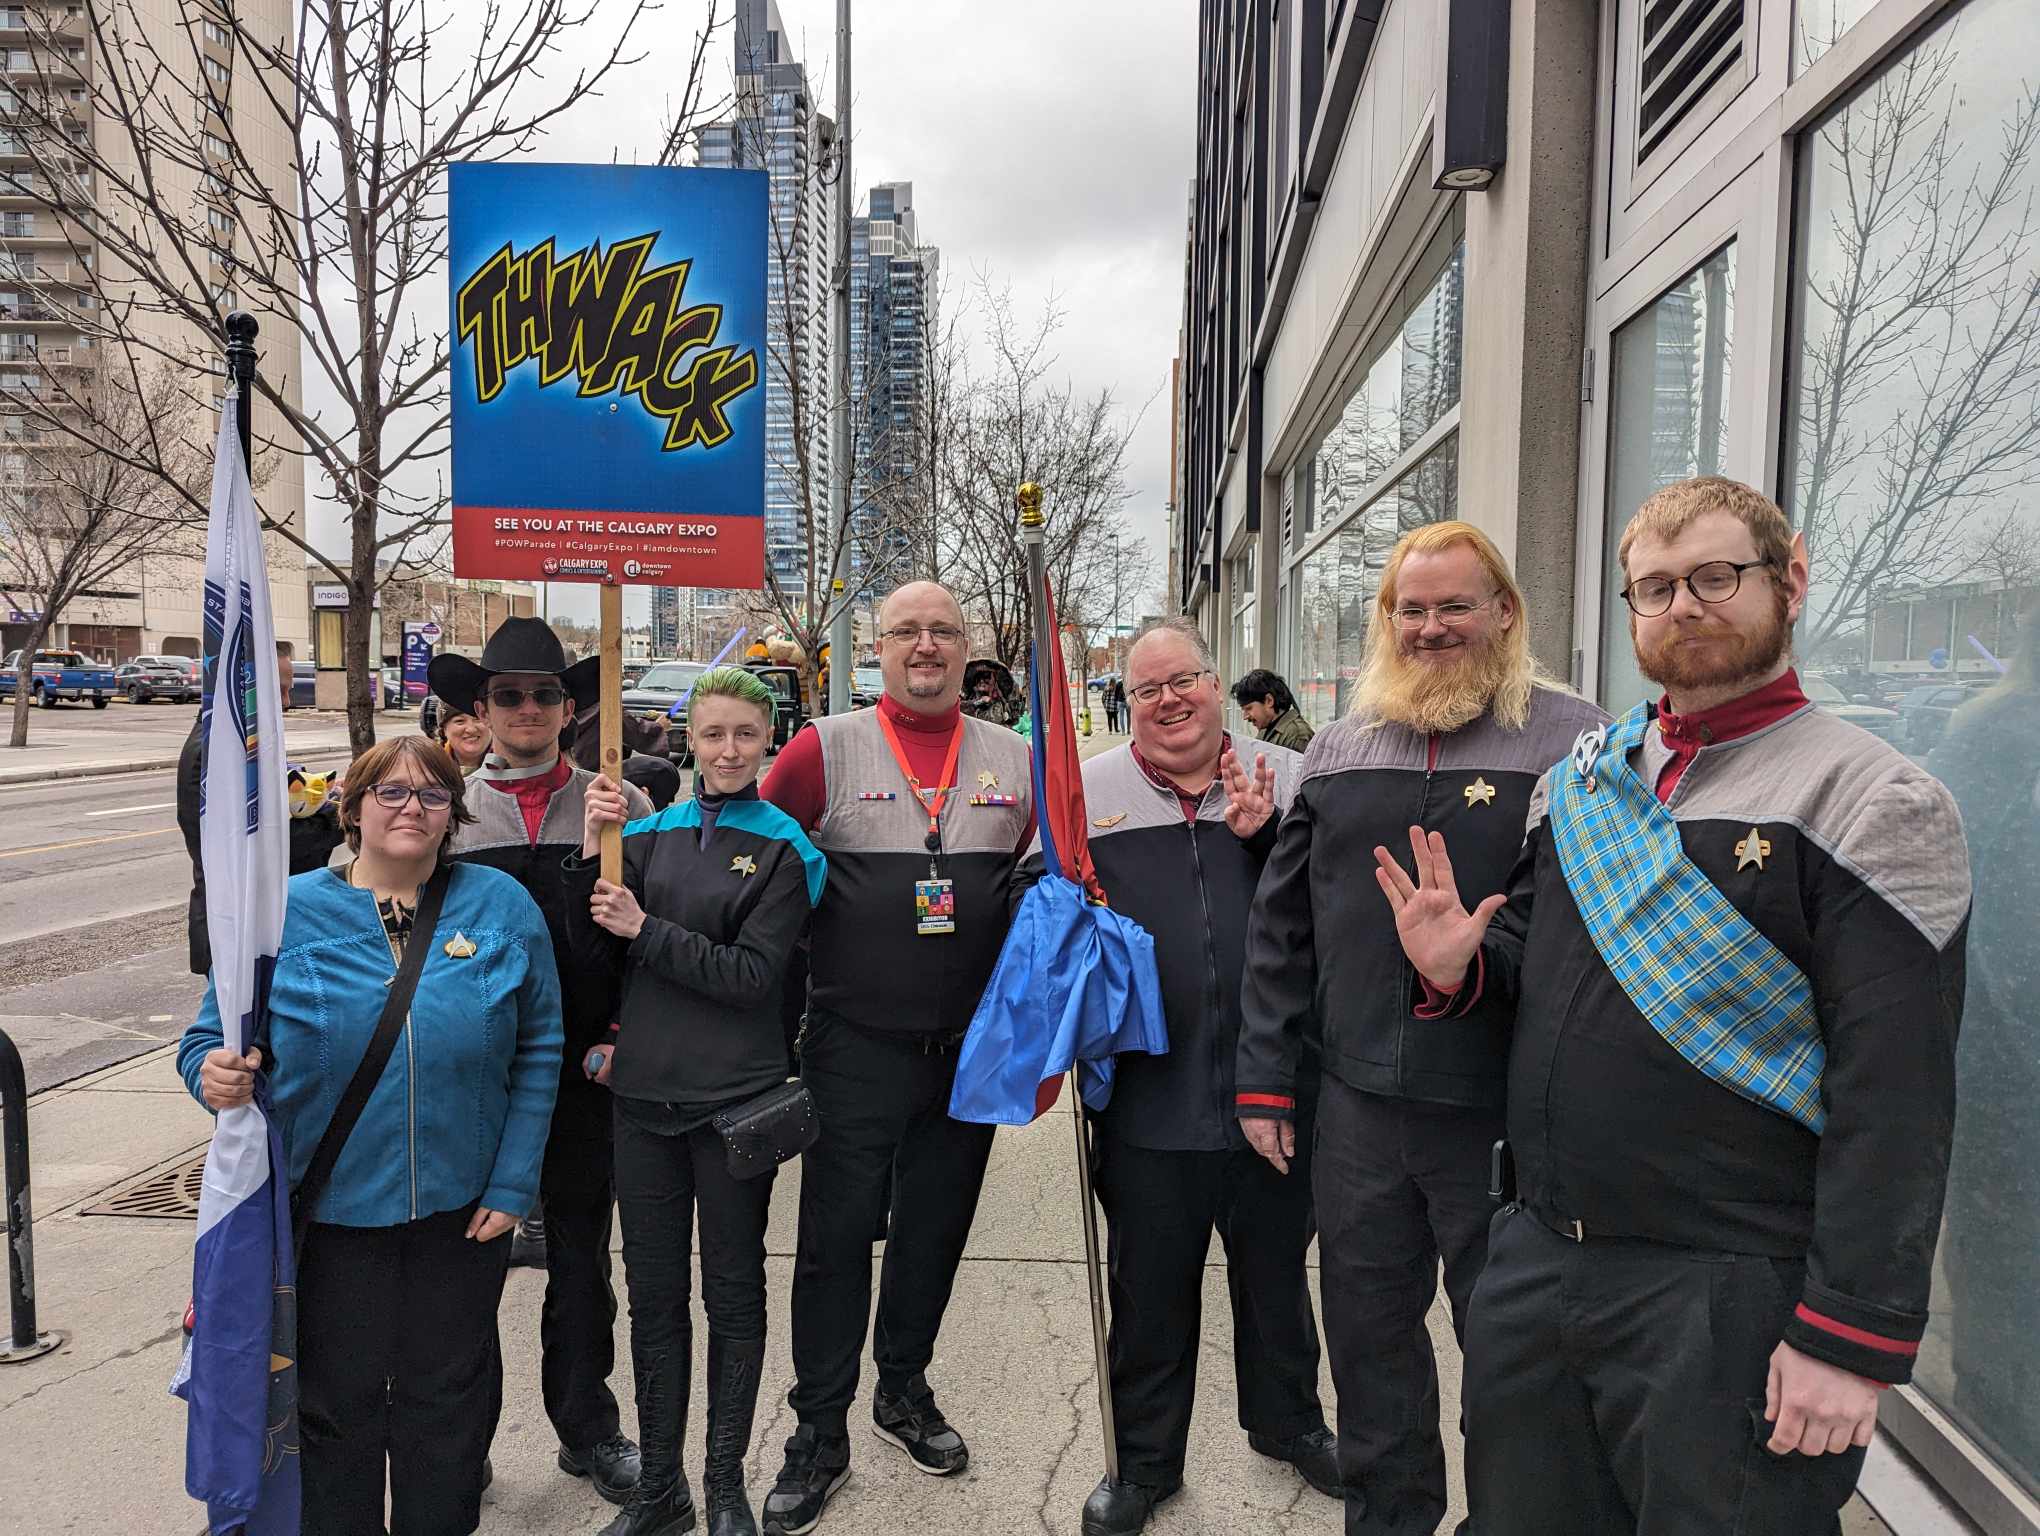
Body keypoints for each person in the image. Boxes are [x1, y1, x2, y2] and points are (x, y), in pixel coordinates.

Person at [1378, 477, 1968, 1532]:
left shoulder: (1874, 799)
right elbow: (1538, 970)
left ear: (1789, 581)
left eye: (1714, 577)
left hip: (1730, 1295)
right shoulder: (1583, 782)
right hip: (1541, 1262)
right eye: (1654, 588)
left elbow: (1900, 1098)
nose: (1682, 606)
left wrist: (1849, 1335)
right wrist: (1459, 971)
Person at [1237, 521, 1607, 1536]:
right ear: (1387, 621)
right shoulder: (1340, 745)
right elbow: (1282, 928)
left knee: (1515, 1362)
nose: (1433, 626)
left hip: (1503, 1118)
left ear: (1502, 613)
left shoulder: (1575, 743)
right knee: (1369, 1350)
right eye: (1413, 608)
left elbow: (1594, 939)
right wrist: (1265, 1079)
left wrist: (1471, 968)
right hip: (1356, 1113)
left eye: (1455, 605)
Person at [178, 735, 563, 1536]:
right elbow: (206, 1041)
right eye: (390, 792)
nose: (411, 809)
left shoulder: (499, 905)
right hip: (331, 1217)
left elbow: (540, 1046)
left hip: (463, 1215)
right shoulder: (282, 914)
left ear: (453, 815)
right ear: (351, 809)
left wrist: (513, 1180)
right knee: (335, 1408)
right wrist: (213, 1078)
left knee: (446, 1407)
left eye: (431, 795)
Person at [757, 580, 1034, 1536]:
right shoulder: (821, 749)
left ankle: (903, 1390)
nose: (925, 646)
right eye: (906, 631)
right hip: (851, 1048)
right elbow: (751, 861)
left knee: (934, 1232)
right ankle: (819, 1431)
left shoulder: (1014, 759)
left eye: (943, 631)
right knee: (835, 1243)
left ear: (969, 649)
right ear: (876, 648)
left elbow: (1045, 897)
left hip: (968, 1055)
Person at [1057, 619, 1337, 1536]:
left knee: (1276, 1277)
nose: (1170, 700)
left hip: (1275, 1090)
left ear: (1220, 686)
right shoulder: (1083, 794)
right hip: (1147, 1097)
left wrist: (1263, 843)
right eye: (1147, 690)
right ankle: (1142, 1463)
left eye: (1186, 680)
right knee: (1150, 1289)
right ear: (1125, 704)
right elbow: (1042, 925)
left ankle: (1290, 1422)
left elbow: (1329, 917)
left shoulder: (1286, 780)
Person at [567, 667, 827, 1536]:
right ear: (688, 740)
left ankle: (724, 1487)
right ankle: (661, 1491)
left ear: (768, 740)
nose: (726, 751)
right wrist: (589, 852)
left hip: (732, 1108)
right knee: (654, 1300)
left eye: (744, 736)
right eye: (711, 735)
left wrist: (650, 930)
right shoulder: (649, 836)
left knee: (734, 1295)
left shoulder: (788, 849)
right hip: (642, 1101)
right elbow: (594, 952)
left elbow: (755, 978)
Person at [428, 617, 654, 1506]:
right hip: (473, 1079)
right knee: (463, 1264)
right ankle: (457, 1440)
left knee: (581, 1257)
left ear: (571, 707)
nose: (528, 708)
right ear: (479, 709)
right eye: (509, 694)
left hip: (585, 1073)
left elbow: (650, 934)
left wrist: (626, 1033)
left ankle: (587, 1425)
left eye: (546, 693)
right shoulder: (446, 808)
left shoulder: (617, 805)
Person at [178, 639, 346, 975]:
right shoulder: (221, 751)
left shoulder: (240, 741)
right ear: (247, 687)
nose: (287, 702)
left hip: (257, 922)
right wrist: (343, 813)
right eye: (279, 691)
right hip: (241, 929)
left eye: (289, 690)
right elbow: (262, 842)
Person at [569, 702, 683, 812]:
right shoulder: (604, 701)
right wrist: (659, 726)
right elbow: (638, 734)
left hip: (573, 772)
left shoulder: (573, 700)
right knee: (664, 770)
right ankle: (651, 821)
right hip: (591, 775)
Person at [1230, 668, 1315, 753]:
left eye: (1249, 708)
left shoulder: (1298, 735)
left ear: (1269, 701)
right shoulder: (1265, 729)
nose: (1245, 717)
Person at [435, 701, 493, 775]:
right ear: (444, 730)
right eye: (460, 721)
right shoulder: (429, 766)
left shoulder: (510, 763)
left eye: (477, 719)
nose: (471, 729)